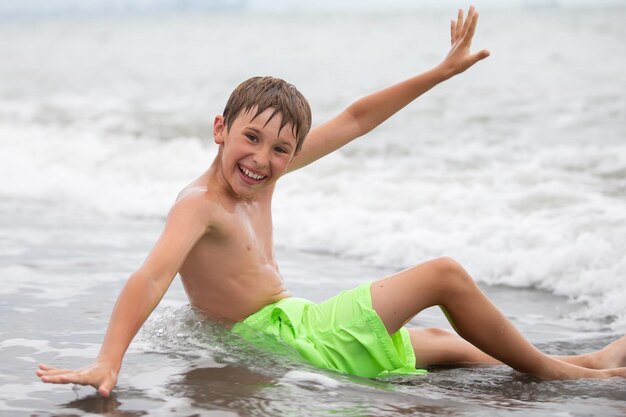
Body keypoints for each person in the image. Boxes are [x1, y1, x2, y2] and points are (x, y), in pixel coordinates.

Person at [36, 7, 626, 397]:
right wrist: (109, 359)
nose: (262, 159)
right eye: (251, 138)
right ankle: (556, 373)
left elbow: (355, 118)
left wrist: (440, 73)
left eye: (280, 149)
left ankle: (589, 363)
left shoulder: (264, 177)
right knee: (443, 276)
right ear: (220, 128)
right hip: (288, 338)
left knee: (441, 343)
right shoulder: (200, 204)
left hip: (298, 323)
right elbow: (151, 276)